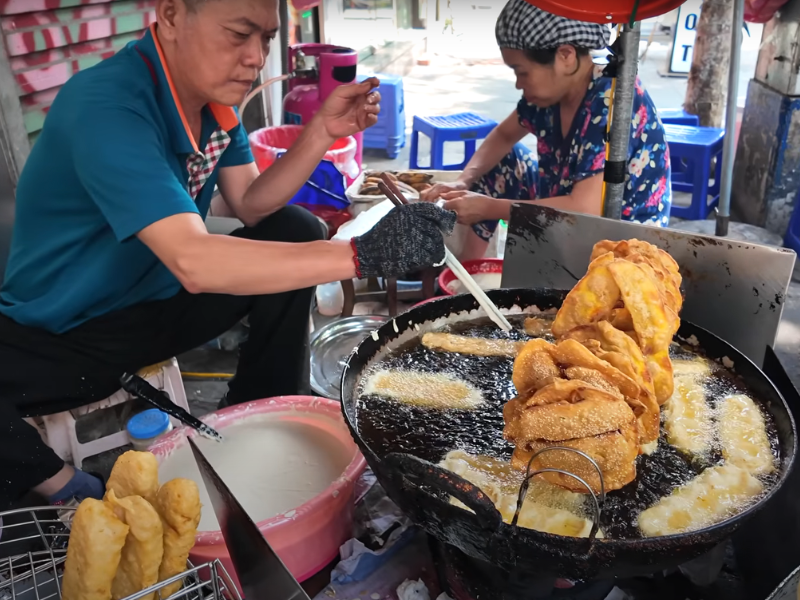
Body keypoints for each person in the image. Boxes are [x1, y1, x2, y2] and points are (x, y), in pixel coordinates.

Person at [0, 0, 455, 510]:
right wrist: (362, 254)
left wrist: (322, 133)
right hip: (68, 331)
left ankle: (264, 409)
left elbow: (253, 204)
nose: (255, 57)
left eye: (264, 38)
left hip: (155, 303)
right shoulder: (106, 105)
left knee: (294, 227)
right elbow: (194, 261)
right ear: (171, 16)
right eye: (239, 35)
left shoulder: (211, 105)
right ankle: (56, 482)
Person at [422, 0, 672, 260]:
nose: (519, 84)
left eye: (523, 72)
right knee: (504, 161)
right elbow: (504, 135)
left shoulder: (608, 101)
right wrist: (465, 180)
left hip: (621, 240)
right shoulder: (549, 96)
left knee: (491, 202)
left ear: (565, 56)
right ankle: (466, 278)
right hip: (567, 210)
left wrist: (489, 207)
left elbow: (585, 209)